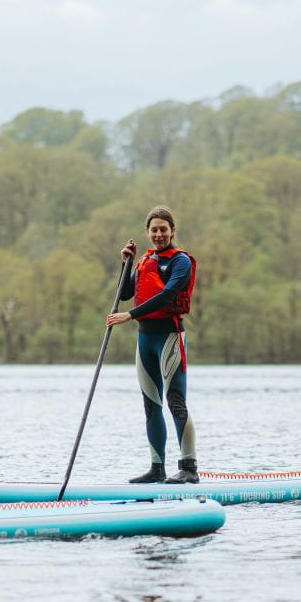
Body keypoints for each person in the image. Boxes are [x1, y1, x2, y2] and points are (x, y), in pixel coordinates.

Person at [107, 205, 199, 484]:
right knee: (151, 404)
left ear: (172, 231)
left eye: (163, 229)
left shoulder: (180, 262)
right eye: (154, 230)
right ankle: (157, 468)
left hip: (169, 337)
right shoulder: (144, 261)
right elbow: (125, 294)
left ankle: (189, 468)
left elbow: (168, 295)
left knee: (175, 402)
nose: (159, 234)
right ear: (147, 232)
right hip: (145, 339)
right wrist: (125, 263)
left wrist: (130, 315)